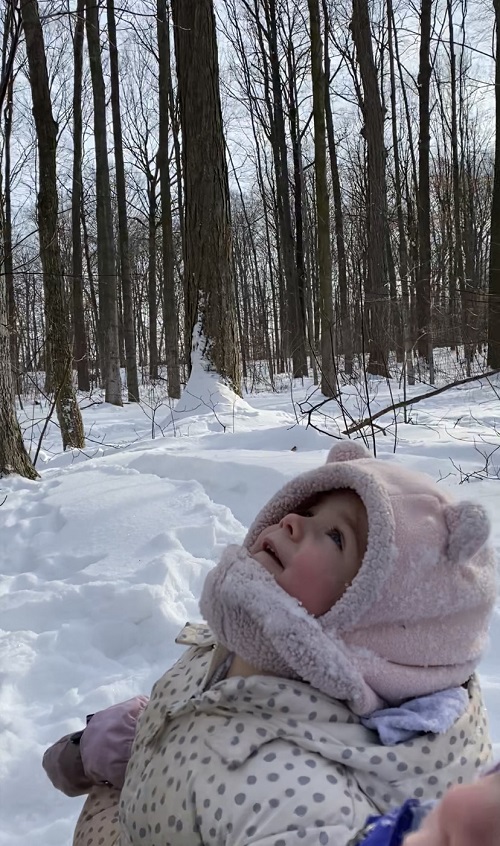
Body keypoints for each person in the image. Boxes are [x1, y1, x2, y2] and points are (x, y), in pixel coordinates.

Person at [43, 441, 497, 846]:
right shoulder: (254, 636)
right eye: (309, 511)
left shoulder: (290, 792)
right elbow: (216, 712)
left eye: (336, 536)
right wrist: (130, 739)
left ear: (383, 622)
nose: (295, 520)